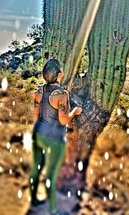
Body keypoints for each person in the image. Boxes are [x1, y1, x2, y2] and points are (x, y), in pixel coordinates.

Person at [27, 58, 82, 215]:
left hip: (38, 133)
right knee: (52, 173)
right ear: (60, 74)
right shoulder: (62, 94)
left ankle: (34, 200)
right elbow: (64, 119)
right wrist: (75, 111)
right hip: (55, 139)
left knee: (37, 169)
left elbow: (35, 116)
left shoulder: (39, 91)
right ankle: (53, 209)